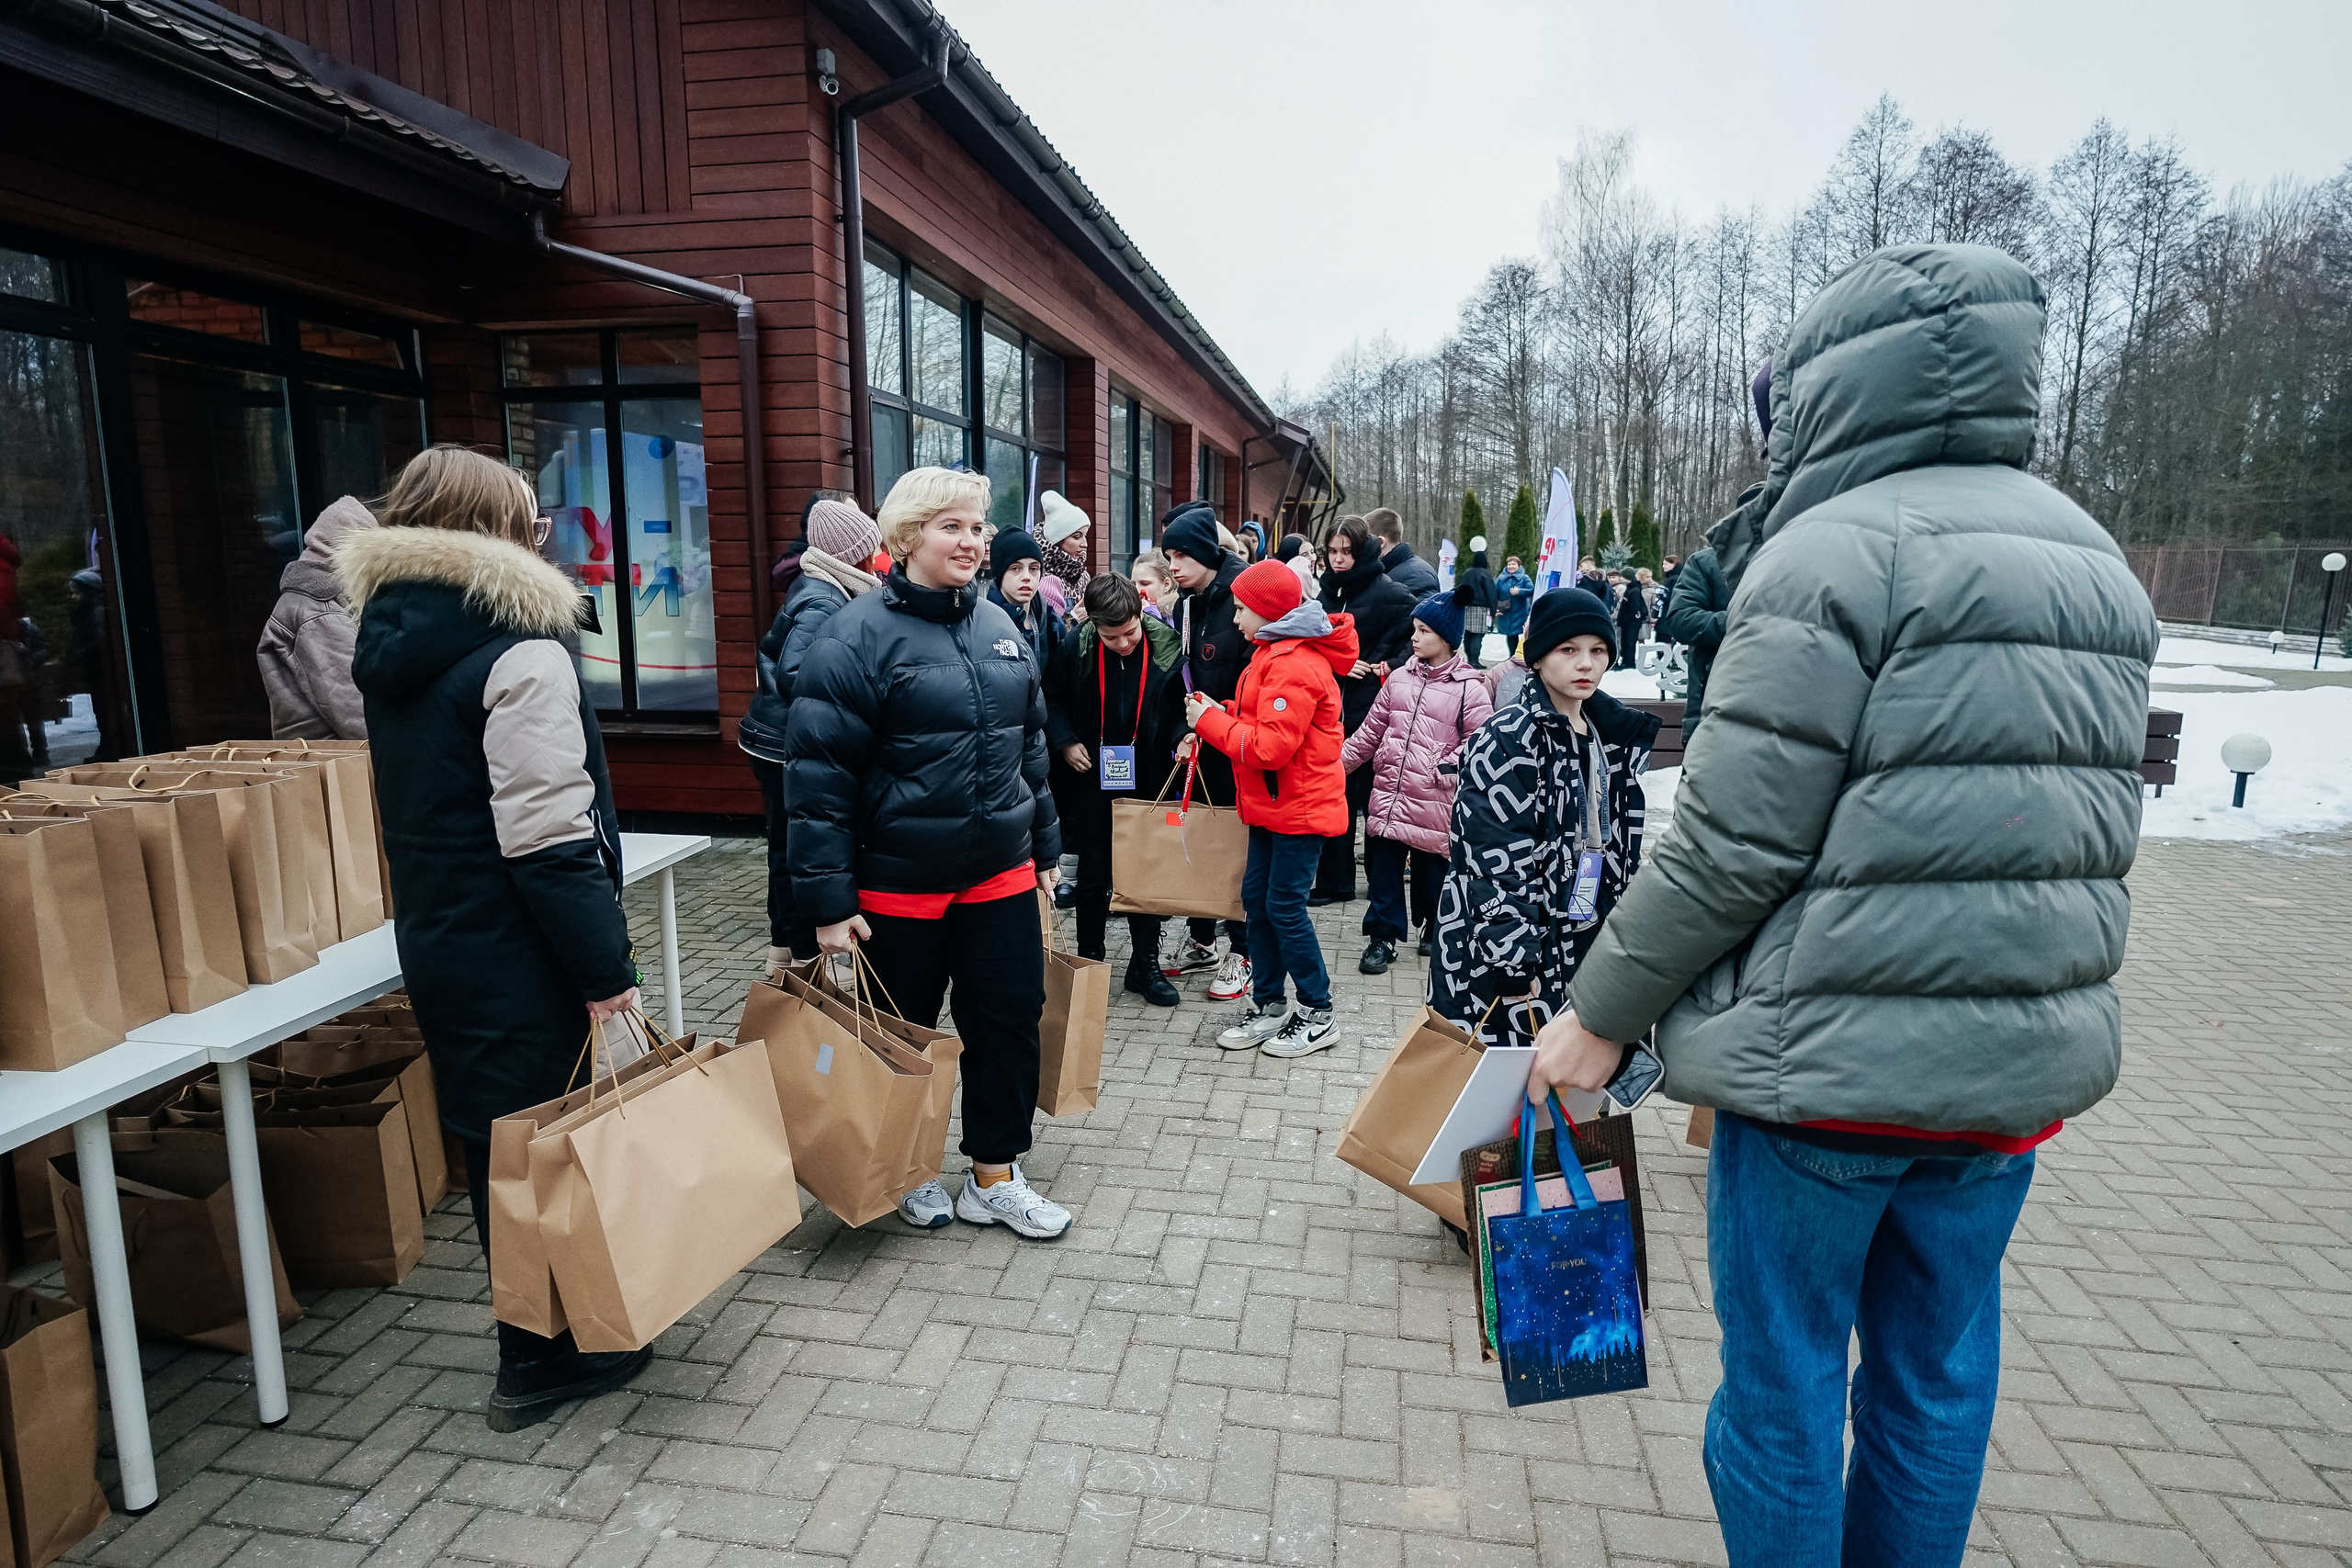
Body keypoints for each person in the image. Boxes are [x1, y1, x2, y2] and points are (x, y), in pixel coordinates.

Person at [1533, 246, 2158, 1568]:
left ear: (1829, 394)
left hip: (1821, 1077)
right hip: (2009, 1081)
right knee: (1937, 1382)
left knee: (1784, 1389)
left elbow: (1732, 844)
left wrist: (1600, 1010)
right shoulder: (2096, 559)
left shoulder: (1826, 553)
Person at [336, 446, 650, 1431]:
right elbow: (549, 838)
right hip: (524, 947)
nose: (546, 534)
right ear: (499, 531)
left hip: (445, 937)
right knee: (549, 1141)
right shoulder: (521, 650)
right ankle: (546, 1357)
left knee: (498, 1146)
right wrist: (606, 970)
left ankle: (546, 1336)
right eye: (533, 517)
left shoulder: (398, 638)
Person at [786, 466, 1071, 1240]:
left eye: (978, 527)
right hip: (898, 886)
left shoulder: (1003, 627)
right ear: (909, 536)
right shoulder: (852, 636)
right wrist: (828, 904)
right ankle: (905, 1169)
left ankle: (994, 1175)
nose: (972, 542)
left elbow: (1029, 749)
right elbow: (818, 782)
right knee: (900, 1036)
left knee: (1009, 1023)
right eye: (953, 526)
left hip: (999, 875)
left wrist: (1046, 844)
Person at [1430, 587, 1657, 1056]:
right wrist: (1512, 958)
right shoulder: (1509, 736)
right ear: (1537, 658)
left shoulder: (1609, 734)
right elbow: (1491, 858)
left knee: (1569, 1074)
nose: (1586, 664)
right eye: (1568, 650)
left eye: (1598, 651)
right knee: (1500, 1079)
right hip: (1509, 945)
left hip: (1581, 927)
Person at [1182, 560, 1357, 1058]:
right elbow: (1259, 722)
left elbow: (1270, 749)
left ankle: (1318, 1013)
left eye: (1242, 609)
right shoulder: (1273, 652)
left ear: (1269, 610)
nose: (1235, 618)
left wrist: (1209, 722)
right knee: (1257, 901)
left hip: (1297, 811)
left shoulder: (1294, 663)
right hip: (1273, 807)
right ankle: (1270, 1005)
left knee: (1282, 907)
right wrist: (1219, 712)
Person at [738, 498, 883, 973]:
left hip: (773, 735)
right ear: (851, 554)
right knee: (791, 850)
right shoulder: (823, 599)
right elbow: (795, 671)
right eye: (868, 548)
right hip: (782, 742)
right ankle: (802, 954)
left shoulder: (821, 586)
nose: (876, 557)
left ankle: (784, 947)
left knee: (783, 847)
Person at [1043, 572, 1184, 1006]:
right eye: (1111, 637)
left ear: (1141, 615)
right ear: (1094, 626)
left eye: (1130, 633)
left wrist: (1183, 735)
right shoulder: (1076, 646)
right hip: (1093, 775)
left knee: (1145, 873)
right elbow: (1053, 699)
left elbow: (1180, 705)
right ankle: (1091, 962)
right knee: (1093, 875)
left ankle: (1145, 965)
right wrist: (1066, 741)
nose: (1123, 644)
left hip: (1150, 774)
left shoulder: (1167, 647)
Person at [1341, 592, 1492, 973]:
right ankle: (1382, 937)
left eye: (1424, 631)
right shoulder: (1399, 679)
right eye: (1414, 629)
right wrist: (1336, 766)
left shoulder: (1469, 688)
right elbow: (1371, 731)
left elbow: (1480, 742)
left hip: (1434, 799)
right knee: (1383, 870)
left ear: (1446, 638)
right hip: (1390, 793)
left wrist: (1444, 767)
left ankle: (1433, 925)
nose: (1414, 637)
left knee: (1431, 871)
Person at [1157, 501, 1253, 1000]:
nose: (1172, 567)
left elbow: (1254, 679)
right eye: (1168, 557)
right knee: (1198, 837)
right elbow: (1185, 672)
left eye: (1180, 556)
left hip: (1240, 745)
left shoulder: (1244, 593)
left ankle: (1244, 950)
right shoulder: (1186, 604)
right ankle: (1202, 940)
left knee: (1235, 849)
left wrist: (1225, 725)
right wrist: (1185, 727)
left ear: (1204, 553)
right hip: (1201, 740)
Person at [1312, 516, 1416, 905]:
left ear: (1364, 551)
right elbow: (1310, 641)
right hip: (1329, 710)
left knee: (1375, 800)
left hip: (1374, 713)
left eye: (1347, 552)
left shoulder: (1391, 592)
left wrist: (1386, 667)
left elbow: (1420, 640)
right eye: (1332, 552)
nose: (1338, 560)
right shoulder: (1325, 592)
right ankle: (1334, 882)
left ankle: (1381, 884)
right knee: (1334, 794)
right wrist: (1337, 661)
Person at [256, 495, 376, 740]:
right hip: (332, 759)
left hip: (333, 756)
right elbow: (360, 718)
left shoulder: (316, 604)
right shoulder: (318, 612)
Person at [987, 525, 1064, 667]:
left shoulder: (1051, 621)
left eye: (1034, 568)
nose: (1026, 577)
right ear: (999, 573)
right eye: (1015, 568)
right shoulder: (983, 620)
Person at [1036, 491, 1091, 612]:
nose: (1085, 544)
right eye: (1077, 537)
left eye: (1085, 536)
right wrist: (1073, 618)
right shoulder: (1039, 576)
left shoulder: (1083, 576)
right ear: (1057, 539)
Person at [1365, 509, 1439, 595]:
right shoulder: (1388, 571)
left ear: (1380, 543)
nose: (1359, 551)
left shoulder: (1417, 576)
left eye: (1363, 544)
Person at [1453, 548, 1498, 669]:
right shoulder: (1485, 574)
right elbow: (1491, 594)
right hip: (1481, 608)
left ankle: (1469, 659)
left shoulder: (1466, 573)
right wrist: (1493, 610)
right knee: (1478, 635)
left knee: (1468, 634)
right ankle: (1475, 660)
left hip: (1467, 607)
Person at [1495, 554, 1535, 657]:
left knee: (1522, 634)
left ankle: (1521, 656)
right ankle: (1512, 656)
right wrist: (1496, 608)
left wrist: (1520, 591)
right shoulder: (1501, 579)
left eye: (1513, 564)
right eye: (1509, 564)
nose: (1511, 566)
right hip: (1506, 611)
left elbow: (1532, 590)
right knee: (1510, 635)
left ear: (1518, 566)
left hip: (1520, 612)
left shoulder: (1524, 578)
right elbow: (1495, 594)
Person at [1131, 549, 1177, 625]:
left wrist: (1150, 613)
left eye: (1144, 584)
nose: (1137, 590)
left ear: (1166, 585)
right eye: (1133, 584)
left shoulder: (1179, 613)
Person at [1275, 533, 1317, 599]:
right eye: (1304, 555)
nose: (1312, 558)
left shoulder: (1319, 585)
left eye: (1312, 552)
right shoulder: (1281, 591)